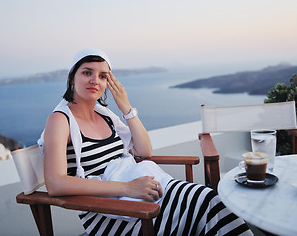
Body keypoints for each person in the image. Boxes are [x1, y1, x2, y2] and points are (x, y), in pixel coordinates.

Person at [39, 48, 253, 235]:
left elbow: (144, 150)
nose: (95, 80)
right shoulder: (60, 120)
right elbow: (56, 183)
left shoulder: (105, 116)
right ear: (72, 77)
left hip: (136, 193)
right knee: (205, 204)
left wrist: (126, 107)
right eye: (87, 72)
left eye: (103, 76)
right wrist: (127, 188)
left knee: (208, 198)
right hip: (106, 212)